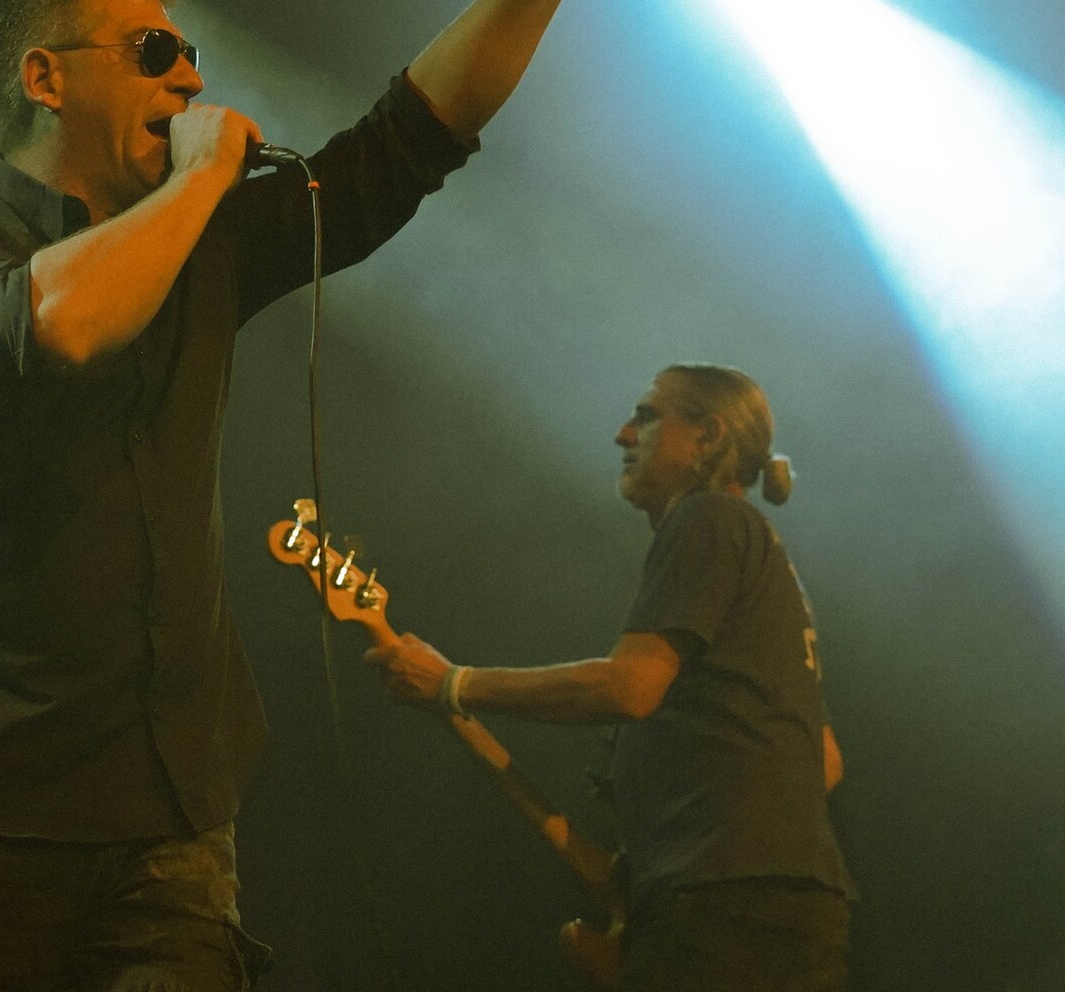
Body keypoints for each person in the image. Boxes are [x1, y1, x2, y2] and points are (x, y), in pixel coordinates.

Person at [0, 0, 663, 992]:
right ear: (45, 77)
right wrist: (196, 184)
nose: (190, 79)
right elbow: (63, 322)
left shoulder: (207, 240)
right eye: (154, 51)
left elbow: (414, 134)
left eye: (190, 54)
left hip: (170, 811)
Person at [365, 364, 856, 992]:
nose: (623, 434)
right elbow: (823, 760)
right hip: (785, 906)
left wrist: (454, 683)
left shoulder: (705, 518)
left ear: (707, 436)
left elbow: (631, 686)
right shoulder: (762, 555)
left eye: (647, 417)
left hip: (721, 910)